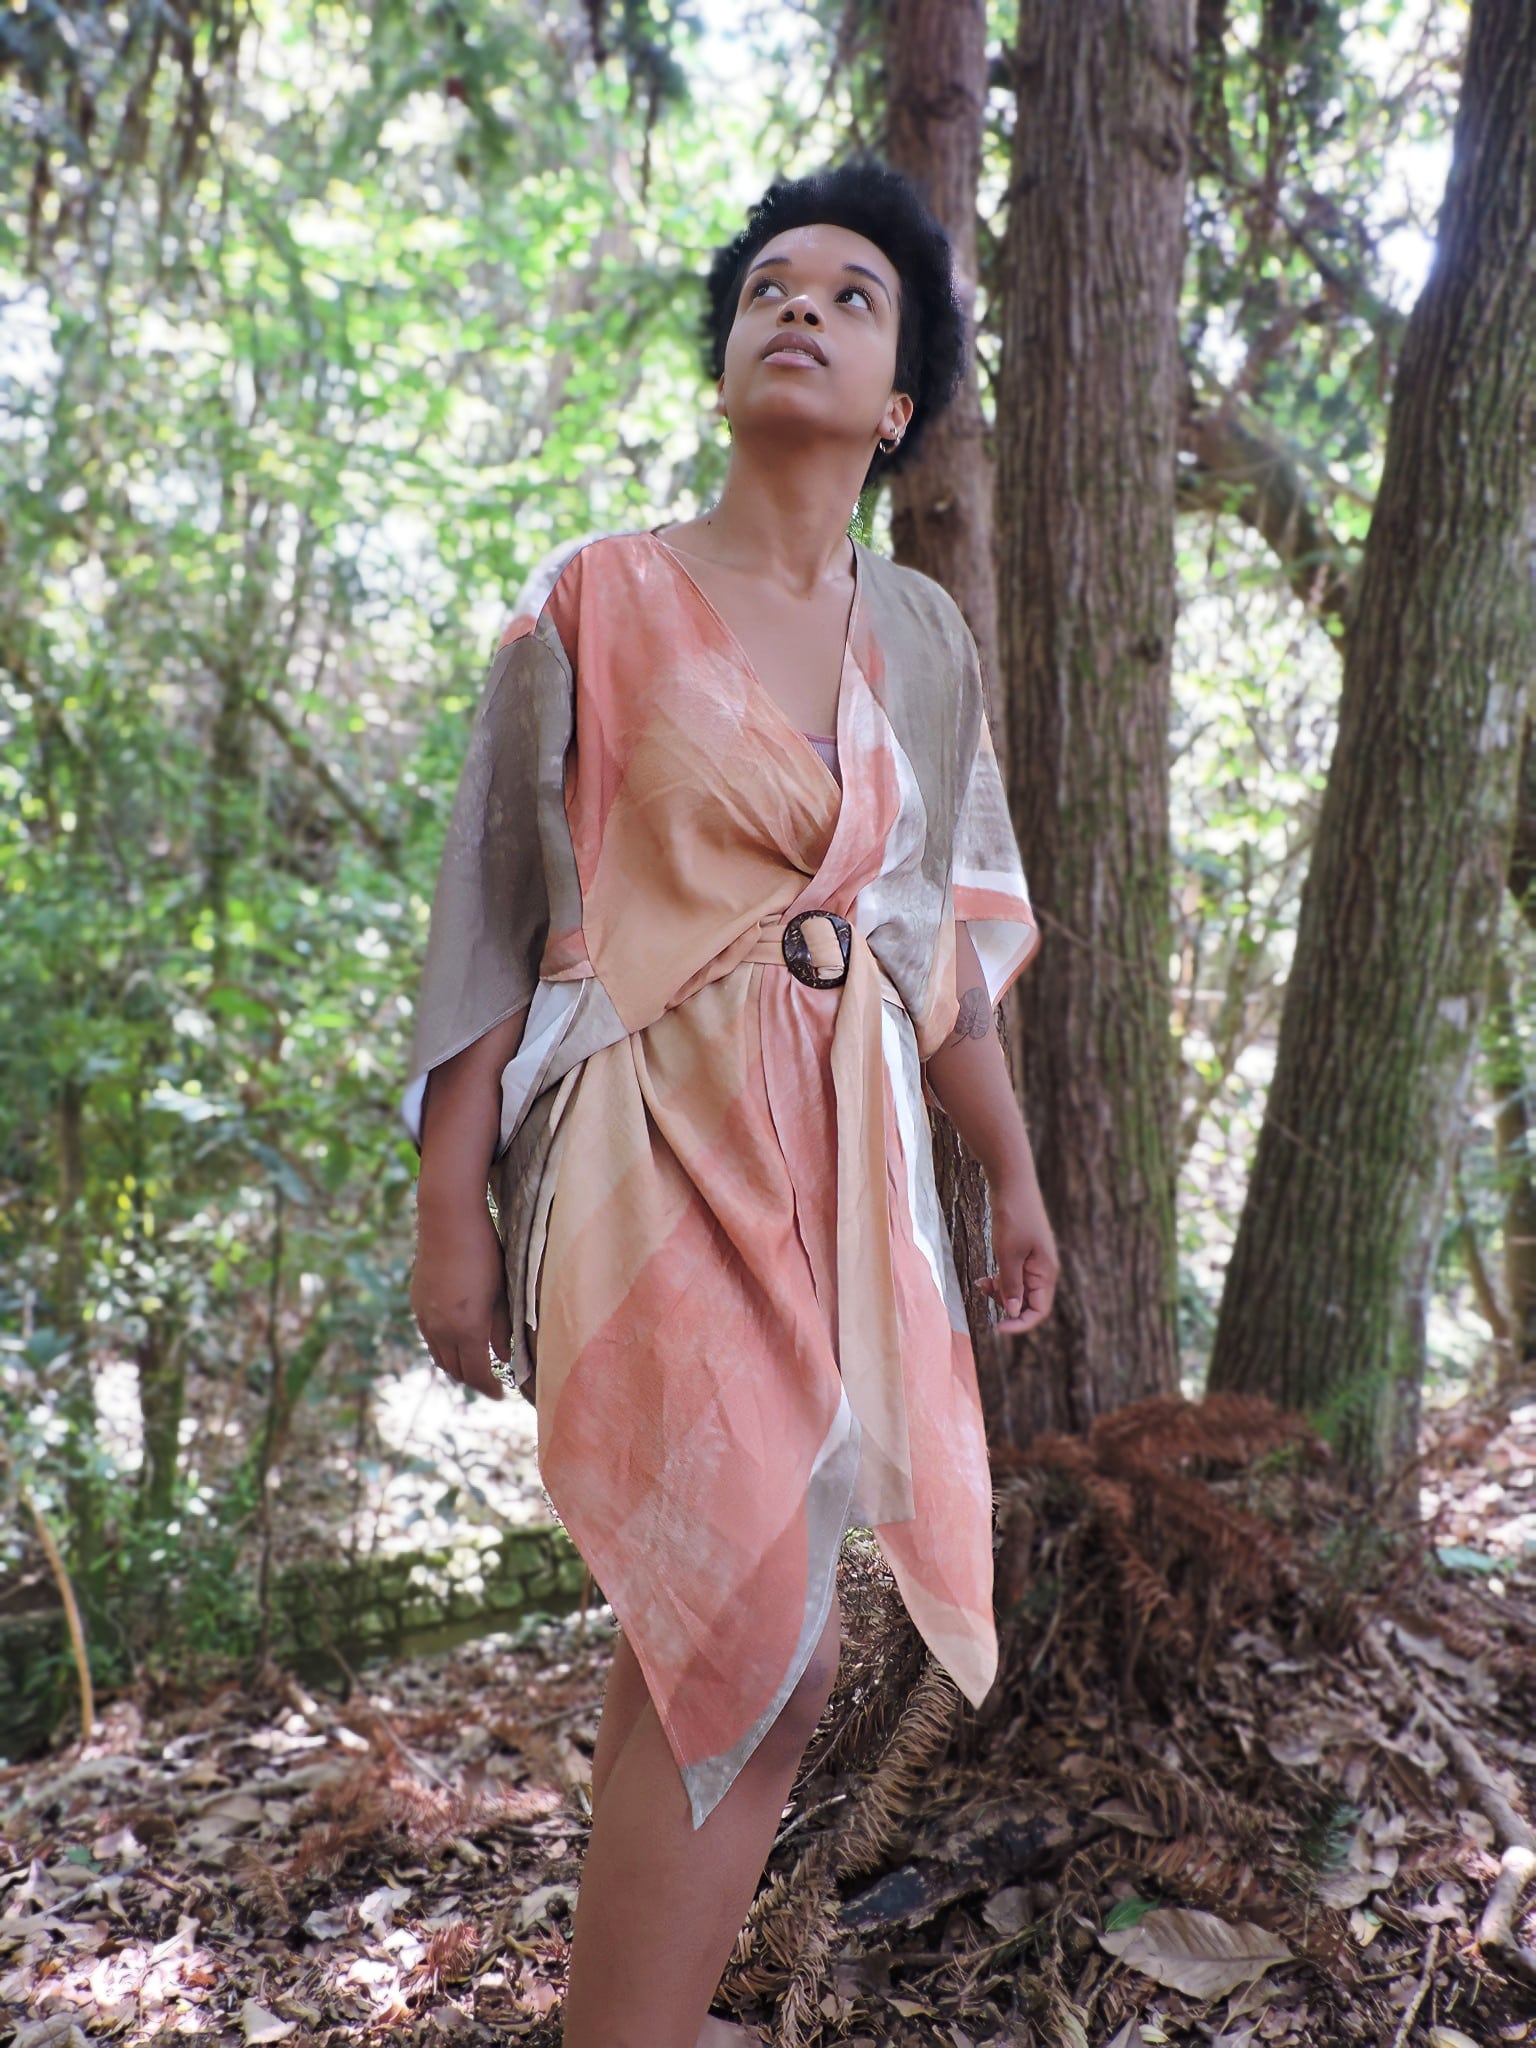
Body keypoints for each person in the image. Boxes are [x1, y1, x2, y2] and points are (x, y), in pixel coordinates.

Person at [403, 157, 1058, 2048]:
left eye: (854, 297)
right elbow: (490, 918)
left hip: (841, 1166)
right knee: (770, 1635)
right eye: (772, 286)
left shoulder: (920, 638)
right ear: (725, 358)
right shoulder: (596, 596)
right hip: (641, 1136)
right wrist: (450, 1208)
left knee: (720, 1636)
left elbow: (933, 946)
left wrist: (1012, 1177)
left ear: (899, 404)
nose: (803, 310)